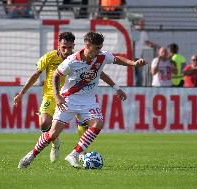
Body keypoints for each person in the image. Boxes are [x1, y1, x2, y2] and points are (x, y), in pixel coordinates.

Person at [17, 31, 146, 169]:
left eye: (100, 48)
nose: (99, 51)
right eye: (96, 48)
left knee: (98, 124)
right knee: (52, 134)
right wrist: (57, 96)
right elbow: (55, 75)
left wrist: (133, 64)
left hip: (88, 100)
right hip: (69, 99)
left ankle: (74, 154)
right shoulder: (72, 61)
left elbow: (117, 59)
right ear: (87, 45)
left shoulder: (101, 57)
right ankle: (31, 155)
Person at [131, 18, 159, 86]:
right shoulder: (132, 31)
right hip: (130, 56)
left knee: (139, 76)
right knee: (131, 75)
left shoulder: (144, 33)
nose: (143, 26)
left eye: (144, 25)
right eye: (142, 24)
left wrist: (156, 46)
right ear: (137, 24)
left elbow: (147, 42)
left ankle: (138, 88)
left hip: (138, 57)